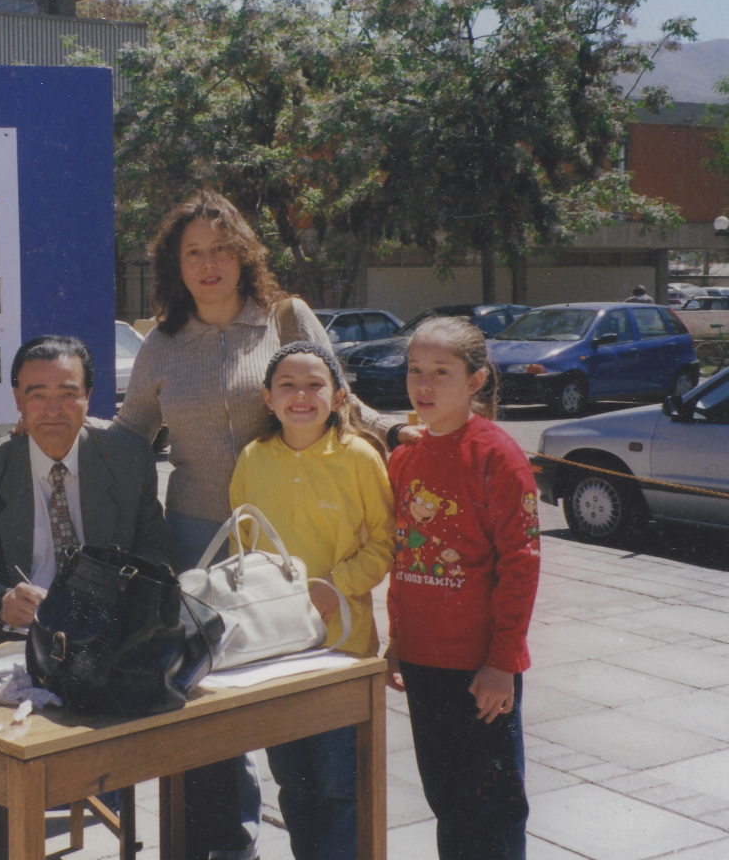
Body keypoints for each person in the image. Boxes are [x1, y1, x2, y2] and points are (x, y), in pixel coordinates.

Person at [114, 190, 419, 860]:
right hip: (201, 543)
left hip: (295, 543)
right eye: (193, 251)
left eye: (221, 248)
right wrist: (60, 441)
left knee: (296, 705)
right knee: (221, 715)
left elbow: (338, 397)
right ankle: (235, 846)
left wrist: (398, 433)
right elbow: (129, 435)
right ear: (176, 263)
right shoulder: (161, 346)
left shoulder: (285, 317)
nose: (209, 263)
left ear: (243, 253)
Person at [0, 335, 172, 860]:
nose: (52, 410)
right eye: (36, 394)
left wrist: (114, 606)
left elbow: (157, 557)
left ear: (90, 396)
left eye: (68, 393)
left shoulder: (128, 458)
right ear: (16, 400)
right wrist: (1, 600)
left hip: (104, 642)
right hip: (7, 641)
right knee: (6, 760)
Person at [227, 341, 395, 860]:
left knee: (341, 785)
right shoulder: (254, 458)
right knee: (294, 784)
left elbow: (386, 541)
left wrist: (336, 584)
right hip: (276, 654)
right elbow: (241, 546)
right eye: (288, 385)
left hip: (341, 650)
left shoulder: (360, 457)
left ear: (339, 396)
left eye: (315, 384)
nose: (302, 395)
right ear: (268, 398)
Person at [383, 317, 541, 860]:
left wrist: (502, 662)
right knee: (447, 800)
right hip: (425, 664)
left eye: (441, 373)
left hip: (481, 669)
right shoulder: (404, 457)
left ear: (474, 382)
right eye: (415, 371)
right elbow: (403, 555)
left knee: (493, 807)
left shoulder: (497, 456)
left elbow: (520, 566)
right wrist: (397, 639)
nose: (423, 386)